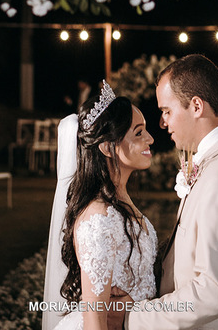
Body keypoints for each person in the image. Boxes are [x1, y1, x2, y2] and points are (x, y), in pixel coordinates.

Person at [124, 54, 218, 329]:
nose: (162, 123)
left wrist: (134, 317)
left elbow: (212, 292)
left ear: (196, 106)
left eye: (167, 111)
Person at [43, 82, 157, 330]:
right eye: (139, 133)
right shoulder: (98, 219)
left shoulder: (120, 200)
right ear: (107, 147)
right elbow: (94, 321)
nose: (150, 138)